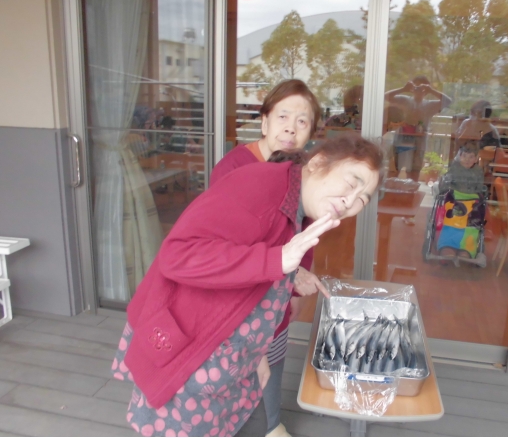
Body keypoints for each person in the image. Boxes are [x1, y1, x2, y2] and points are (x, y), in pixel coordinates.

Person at [111, 133, 383, 437]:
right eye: (352, 182)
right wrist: (279, 260)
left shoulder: (303, 212)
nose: (351, 201)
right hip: (189, 355)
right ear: (318, 163)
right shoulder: (261, 186)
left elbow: (251, 265)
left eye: (363, 199)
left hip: (231, 355)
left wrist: (257, 351)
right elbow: (178, 254)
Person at [209, 79, 321, 437]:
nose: (290, 127)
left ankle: (271, 424)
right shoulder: (234, 168)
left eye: (302, 121)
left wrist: (296, 284)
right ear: (264, 122)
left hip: (279, 287)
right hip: (233, 290)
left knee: (273, 352)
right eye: (283, 116)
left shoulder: (303, 171)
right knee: (229, 366)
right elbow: (219, 243)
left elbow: (307, 231)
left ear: (310, 132)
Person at [384, 76, 453, 174]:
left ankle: (413, 183)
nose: (419, 90)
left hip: (420, 142)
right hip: (402, 140)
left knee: (416, 170)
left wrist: (431, 90)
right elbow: (385, 96)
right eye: (416, 87)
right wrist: (403, 89)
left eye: (422, 88)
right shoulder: (404, 100)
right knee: (397, 169)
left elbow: (448, 101)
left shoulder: (430, 105)